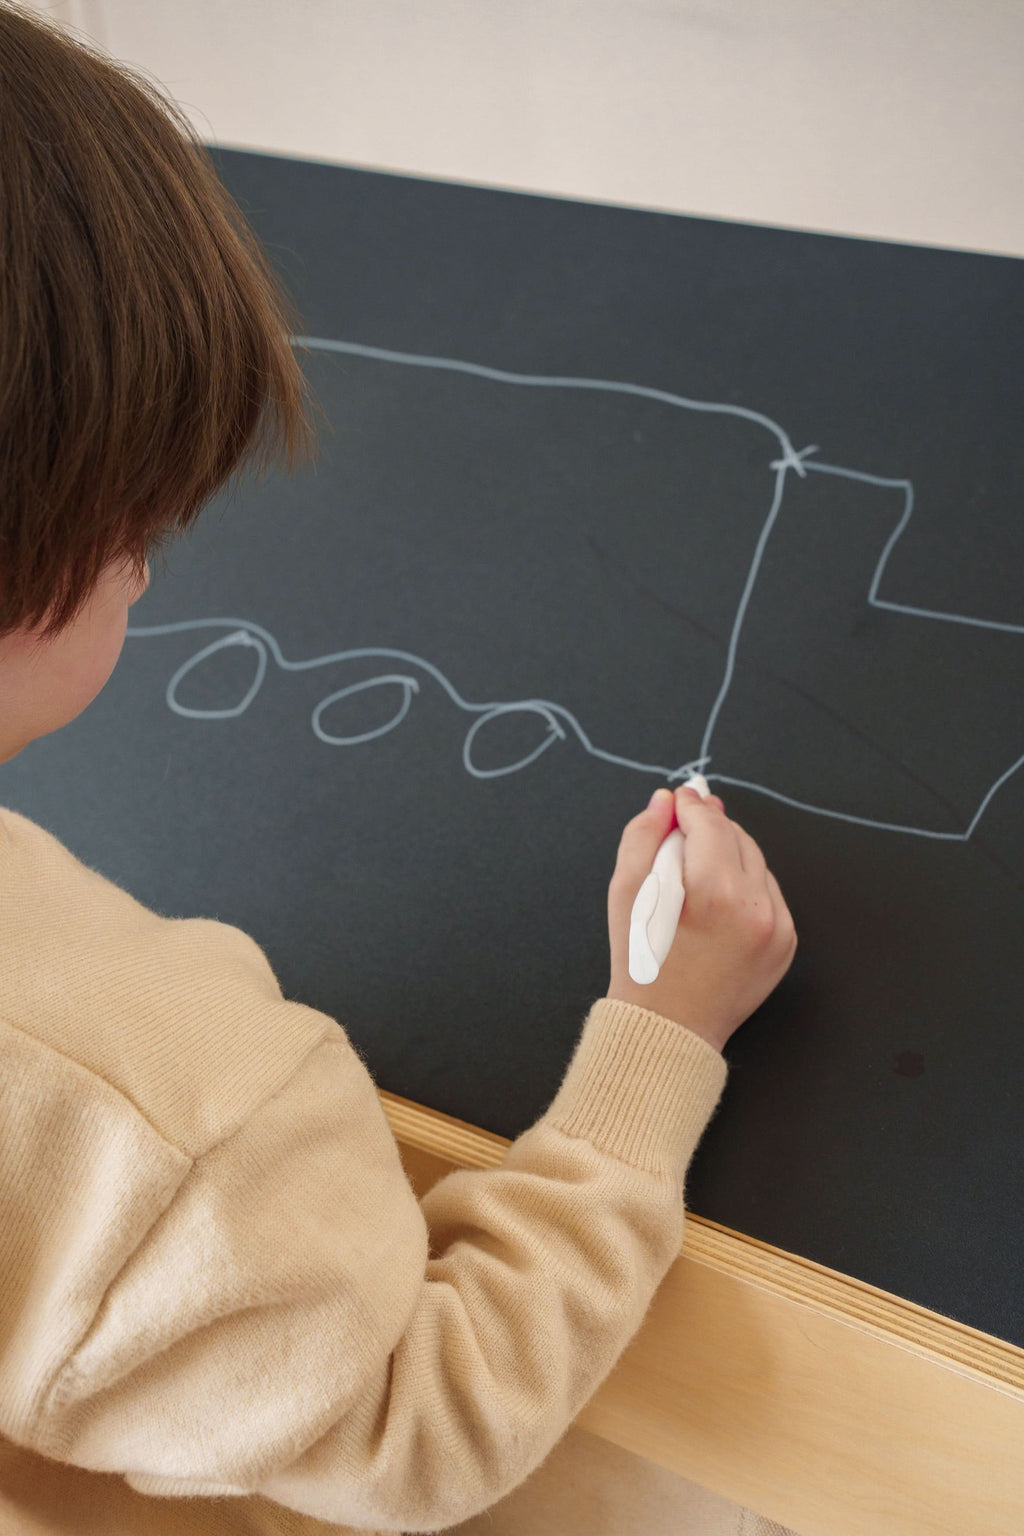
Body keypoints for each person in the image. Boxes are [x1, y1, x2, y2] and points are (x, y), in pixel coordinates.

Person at [0, 5, 797, 1533]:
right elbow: (408, 1426)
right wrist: (655, 1040)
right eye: (136, 533)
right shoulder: (167, 1122)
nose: (151, 577)